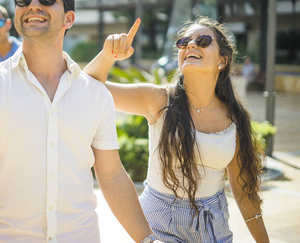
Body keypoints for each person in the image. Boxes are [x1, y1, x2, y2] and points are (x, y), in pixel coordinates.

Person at [0, 0, 161, 243]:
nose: (33, 4)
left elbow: (112, 174)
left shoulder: (94, 94)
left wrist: (147, 239)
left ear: (68, 18)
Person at [84, 16, 270, 242]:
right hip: (157, 226)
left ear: (222, 61)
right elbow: (88, 87)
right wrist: (108, 55)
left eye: (202, 41)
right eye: (184, 42)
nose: (190, 45)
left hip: (213, 228)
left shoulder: (235, 119)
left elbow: (243, 193)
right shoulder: (158, 100)